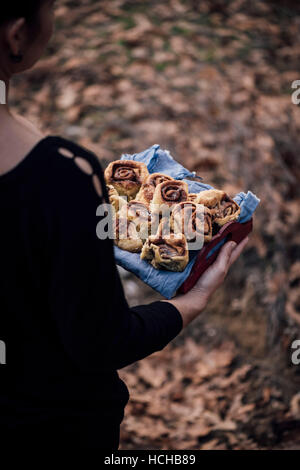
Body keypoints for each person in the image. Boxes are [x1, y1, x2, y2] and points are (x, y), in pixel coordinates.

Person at [0, 0, 249, 450]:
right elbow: (100, 341)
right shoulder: (58, 176)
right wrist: (193, 301)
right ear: (16, 35)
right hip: (48, 431)